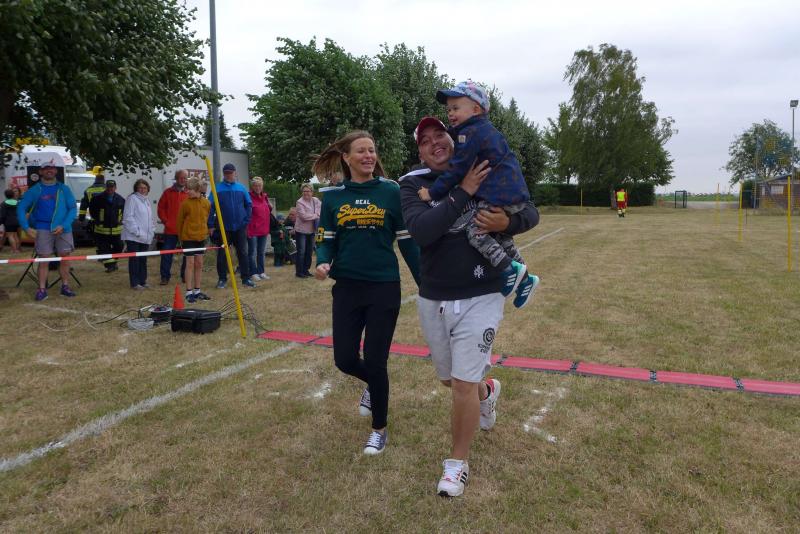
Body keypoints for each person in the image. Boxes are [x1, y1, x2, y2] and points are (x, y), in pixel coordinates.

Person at [400, 117, 540, 497]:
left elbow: (530, 211)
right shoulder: (413, 184)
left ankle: (456, 464)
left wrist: (507, 221)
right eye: (425, 140)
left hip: (483, 293)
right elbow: (422, 231)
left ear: (454, 139)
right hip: (434, 296)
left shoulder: (483, 166)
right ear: (420, 152)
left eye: (440, 135)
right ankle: (487, 391)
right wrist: (463, 191)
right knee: (451, 380)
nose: (435, 143)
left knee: (462, 383)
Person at [313, 130, 420, 455]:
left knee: (376, 359)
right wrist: (322, 261)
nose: (368, 156)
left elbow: (407, 241)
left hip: (383, 287)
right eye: (361, 151)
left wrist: (425, 282)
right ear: (346, 158)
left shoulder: (391, 191)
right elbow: (325, 238)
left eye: (371, 150)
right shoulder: (333, 197)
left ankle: (379, 429)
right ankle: (373, 385)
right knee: (344, 359)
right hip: (347, 287)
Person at [418, 81, 539, 308]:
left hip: (499, 195)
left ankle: (509, 268)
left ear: (476, 109)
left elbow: (457, 169)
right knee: (501, 237)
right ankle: (525, 279)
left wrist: (432, 192)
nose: (450, 113)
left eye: (456, 108)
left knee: (476, 232)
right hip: (511, 193)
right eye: (449, 109)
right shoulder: (481, 130)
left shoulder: (470, 133)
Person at [16, 162, 78, 301]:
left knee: (65, 259)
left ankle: (65, 286)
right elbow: (21, 208)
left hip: (63, 229)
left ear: (56, 171)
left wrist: (64, 225)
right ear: (40, 172)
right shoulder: (34, 190)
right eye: (46, 169)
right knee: (44, 260)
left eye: (51, 168)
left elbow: (73, 208)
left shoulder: (64, 189)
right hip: (43, 229)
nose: (49, 171)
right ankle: (42, 289)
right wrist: (26, 227)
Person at [208, 163, 255, 288]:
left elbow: (249, 205)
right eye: (226, 173)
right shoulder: (217, 188)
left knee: (243, 253)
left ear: (235, 173)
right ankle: (222, 279)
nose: (228, 175)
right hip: (223, 228)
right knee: (222, 254)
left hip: (240, 227)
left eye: (230, 173)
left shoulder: (241, 188)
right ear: (224, 174)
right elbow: (210, 207)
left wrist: (246, 220)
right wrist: (210, 225)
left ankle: (246, 278)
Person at [176, 177, 211, 303]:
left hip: (201, 237)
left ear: (197, 189)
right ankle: (189, 292)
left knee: (199, 263)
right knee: (190, 263)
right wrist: (180, 238)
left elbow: (207, 218)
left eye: (190, 189)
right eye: (187, 189)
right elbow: (179, 221)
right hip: (188, 237)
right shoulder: (185, 204)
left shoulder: (206, 203)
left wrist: (206, 232)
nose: (187, 191)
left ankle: (197, 290)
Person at [122, 179, 155, 289]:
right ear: (136, 188)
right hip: (133, 237)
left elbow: (149, 218)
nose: (142, 190)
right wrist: (137, 232)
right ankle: (135, 283)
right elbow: (128, 217)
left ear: (148, 189)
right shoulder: (132, 199)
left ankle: (143, 281)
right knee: (134, 260)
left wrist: (152, 230)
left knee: (143, 260)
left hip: (145, 236)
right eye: (140, 187)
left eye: (145, 188)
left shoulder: (146, 200)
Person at [157, 169, 188, 285]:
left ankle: (185, 275)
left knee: (187, 254)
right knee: (166, 253)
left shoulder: (189, 193)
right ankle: (165, 277)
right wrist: (166, 221)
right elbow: (161, 208)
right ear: (176, 178)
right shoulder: (167, 192)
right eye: (181, 178)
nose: (183, 180)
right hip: (170, 230)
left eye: (185, 178)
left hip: (185, 230)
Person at [87, 179, 125, 272]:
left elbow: (124, 213)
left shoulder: (121, 199)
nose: (110, 189)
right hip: (101, 231)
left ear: (115, 188)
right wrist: (99, 220)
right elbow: (92, 212)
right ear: (105, 187)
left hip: (116, 231)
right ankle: (110, 266)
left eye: (112, 187)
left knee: (119, 247)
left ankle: (113, 262)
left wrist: (119, 221)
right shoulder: (97, 199)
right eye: (108, 187)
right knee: (104, 249)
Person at [247, 176, 271, 281]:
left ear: (262, 186)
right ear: (252, 187)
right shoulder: (248, 197)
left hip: (264, 229)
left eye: (260, 185)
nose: (258, 188)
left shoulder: (265, 197)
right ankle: (253, 272)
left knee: (261, 252)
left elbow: (267, 210)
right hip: (253, 229)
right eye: (255, 185)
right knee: (252, 252)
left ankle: (261, 271)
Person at [294, 184, 320, 278]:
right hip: (301, 231)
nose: (306, 193)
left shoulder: (316, 200)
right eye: (304, 191)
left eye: (308, 191)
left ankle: (306, 270)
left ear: (312, 192)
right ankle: (299, 272)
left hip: (312, 230)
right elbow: (304, 217)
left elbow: (320, 211)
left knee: (309, 252)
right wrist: (315, 215)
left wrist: (315, 215)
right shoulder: (299, 202)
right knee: (301, 252)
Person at [0, 188, 22, 253]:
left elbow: (3, 215)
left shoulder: (3, 203)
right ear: (12, 195)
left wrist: (1, 221)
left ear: (5, 195)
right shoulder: (18, 202)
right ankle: (17, 249)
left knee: (10, 236)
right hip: (17, 221)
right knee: (15, 235)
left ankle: (14, 250)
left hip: (9, 222)